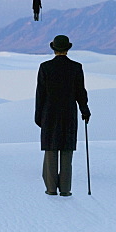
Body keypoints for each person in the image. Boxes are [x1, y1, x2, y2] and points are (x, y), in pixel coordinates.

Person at [35, 34, 91, 197]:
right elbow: (81, 92)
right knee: (67, 150)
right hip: (69, 113)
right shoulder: (76, 67)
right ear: (67, 49)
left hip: (49, 113)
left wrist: (39, 117)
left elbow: (41, 94)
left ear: (53, 49)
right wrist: (84, 109)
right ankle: (65, 189)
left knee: (51, 150)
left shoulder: (45, 67)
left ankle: (51, 188)